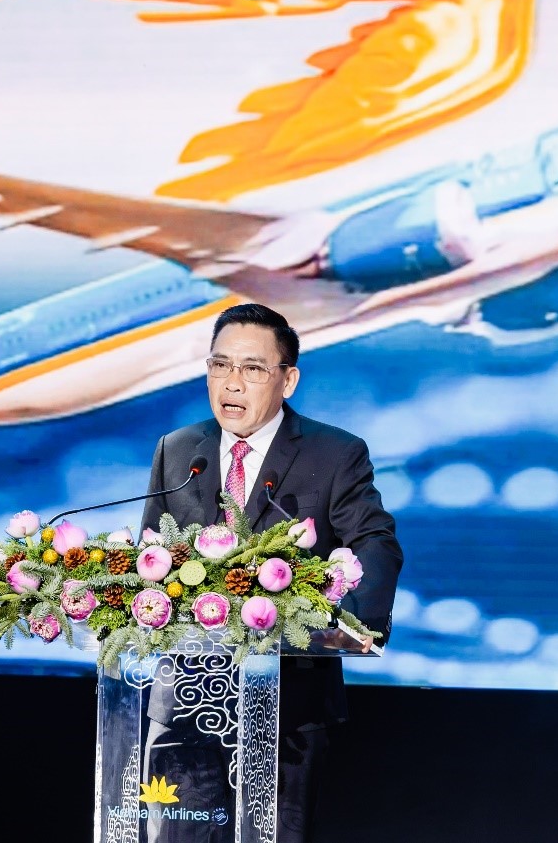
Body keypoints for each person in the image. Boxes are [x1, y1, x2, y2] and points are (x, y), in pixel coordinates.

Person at [140, 303, 403, 843]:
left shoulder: (334, 454)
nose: (232, 383)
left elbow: (375, 542)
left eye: (253, 368)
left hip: (287, 708)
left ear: (288, 380)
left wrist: (356, 624)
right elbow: (150, 553)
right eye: (220, 365)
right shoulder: (178, 450)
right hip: (182, 704)